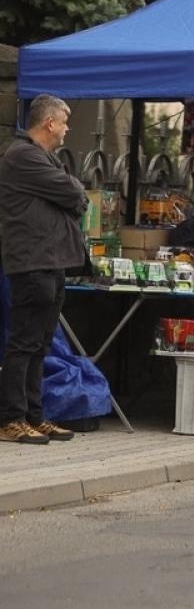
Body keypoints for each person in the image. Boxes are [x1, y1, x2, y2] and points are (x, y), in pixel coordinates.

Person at [0, 94, 88, 444]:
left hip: (52, 261)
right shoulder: (22, 155)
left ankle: (35, 415)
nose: (67, 129)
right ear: (49, 123)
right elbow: (73, 192)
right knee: (23, 343)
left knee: (40, 344)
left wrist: (73, 192)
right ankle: (12, 418)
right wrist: (73, 190)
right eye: (65, 122)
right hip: (33, 261)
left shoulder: (43, 157)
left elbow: (75, 196)